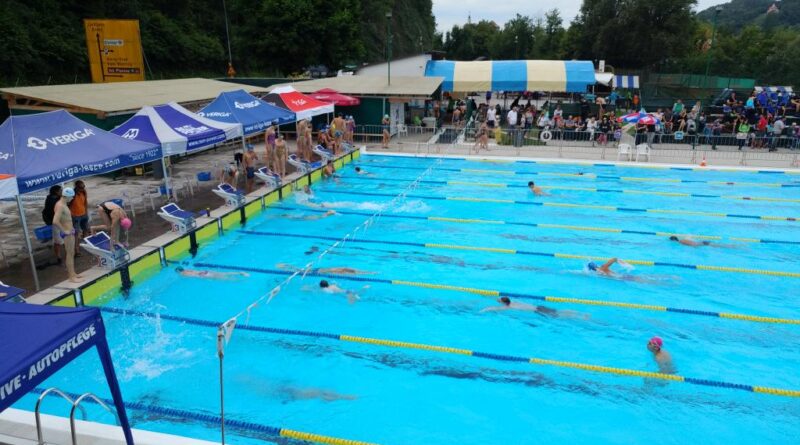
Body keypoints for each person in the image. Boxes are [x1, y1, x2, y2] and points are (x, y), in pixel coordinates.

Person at [52, 187, 82, 282]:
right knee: (69, 254)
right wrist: (64, 231)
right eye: (72, 197)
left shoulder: (63, 204)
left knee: (71, 253)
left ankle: (73, 273)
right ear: (67, 196)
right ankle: (71, 277)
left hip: (70, 231)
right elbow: (55, 221)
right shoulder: (60, 206)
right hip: (67, 233)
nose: (72, 199)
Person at [481, 297, 588, 319]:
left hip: (537, 311)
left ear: (504, 303)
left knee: (559, 315)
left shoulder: (508, 307)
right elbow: (504, 300)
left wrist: (484, 310)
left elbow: (493, 308)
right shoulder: (513, 302)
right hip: (539, 307)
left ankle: (579, 317)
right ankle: (580, 313)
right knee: (558, 311)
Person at [42, 185, 63, 263]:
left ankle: (61, 254)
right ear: (56, 192)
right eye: (60, 190)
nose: (62, 192)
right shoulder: (51, 201)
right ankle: (58, 257)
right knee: (57, 240)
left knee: (62, 238)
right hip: (55, 222)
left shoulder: (56, 198)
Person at [68, 180, 89, 246]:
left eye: (83, 187)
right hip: (75, 216)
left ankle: (86, 243)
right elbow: (67, 205)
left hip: (84, 214)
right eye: (81, 187)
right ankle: (76, 248)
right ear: (76, 187)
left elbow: (85, 202)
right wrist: (71, 214)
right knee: (76, 232)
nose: (83, 188)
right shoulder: (72, 194)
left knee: (85, 229)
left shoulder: (84, 192)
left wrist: (86, 212)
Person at [277, 263, 376, 275]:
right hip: (319, 271)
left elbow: (355, 271)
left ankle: (287, 267)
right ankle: (287, 267)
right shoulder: (341, 270)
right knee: (300, 271)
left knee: (300, 271)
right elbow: (355, 272)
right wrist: (369, 273)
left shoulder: (341, 270)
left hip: (319, 270)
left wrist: (369, 272)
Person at [176, 266, 249, 280]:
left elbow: (193, 275)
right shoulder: (187, 269)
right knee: (225, 273)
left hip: (203, 275)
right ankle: (239, 273)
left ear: (178, 271)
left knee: (225, 279)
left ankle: (239, 280)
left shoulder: (183, 274)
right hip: (205, 272)